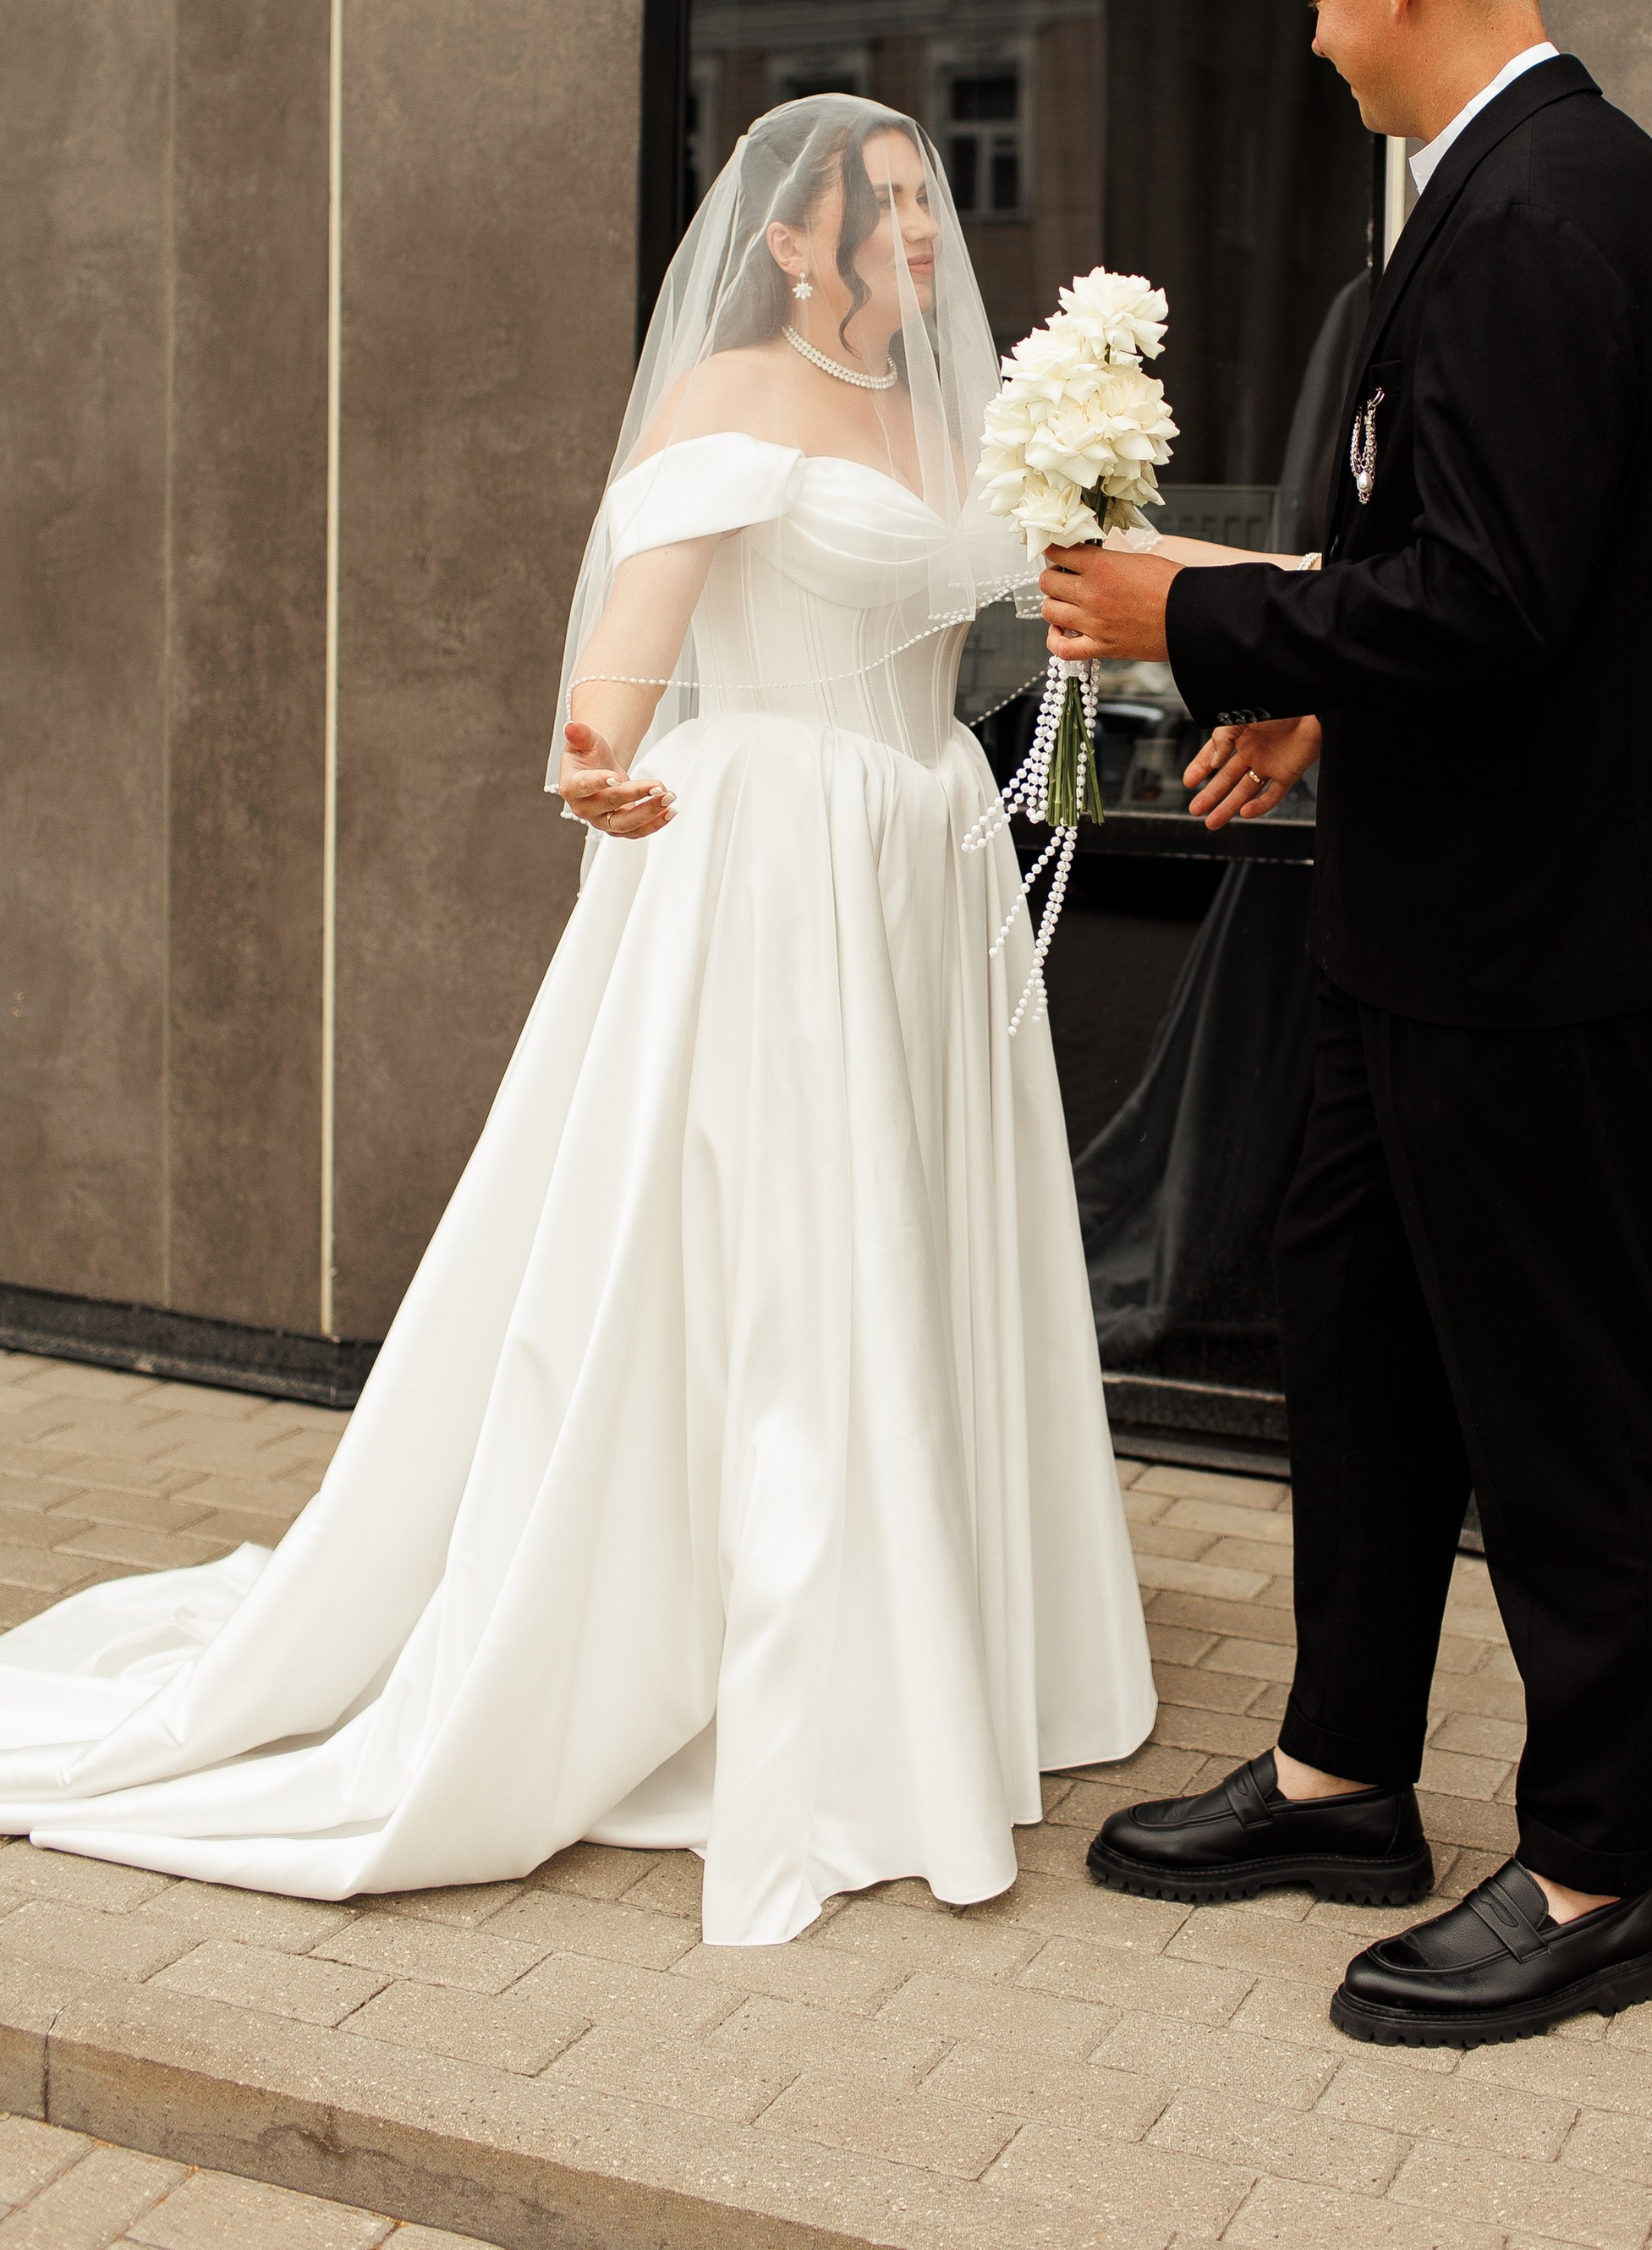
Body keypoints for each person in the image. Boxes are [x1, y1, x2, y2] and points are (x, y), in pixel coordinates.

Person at [0, 96, 1155, 1946]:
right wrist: (592, 748)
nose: (928, 237)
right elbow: (642, 619)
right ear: (789, 243)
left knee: (906, 1244)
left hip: (920, 861)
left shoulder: (963, 426)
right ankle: (757, 1649)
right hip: (775, 869)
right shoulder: (731, 402)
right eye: (890, 209)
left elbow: (1057, 603)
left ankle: (934, 1626)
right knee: (779, 1266)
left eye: (935, 205)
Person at [1039, 0, 1652, 2048]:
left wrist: (1202, 614)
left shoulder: (1555, 213)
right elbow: (1465, 574)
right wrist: (1322, 712)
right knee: (1356, 1344)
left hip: (1534, 940)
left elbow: (1499, 602)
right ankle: (1344, 1775)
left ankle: (1588, 1885)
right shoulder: (1496, 209)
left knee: (1565, 1407)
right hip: (1418, 911)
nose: (1312, 43)